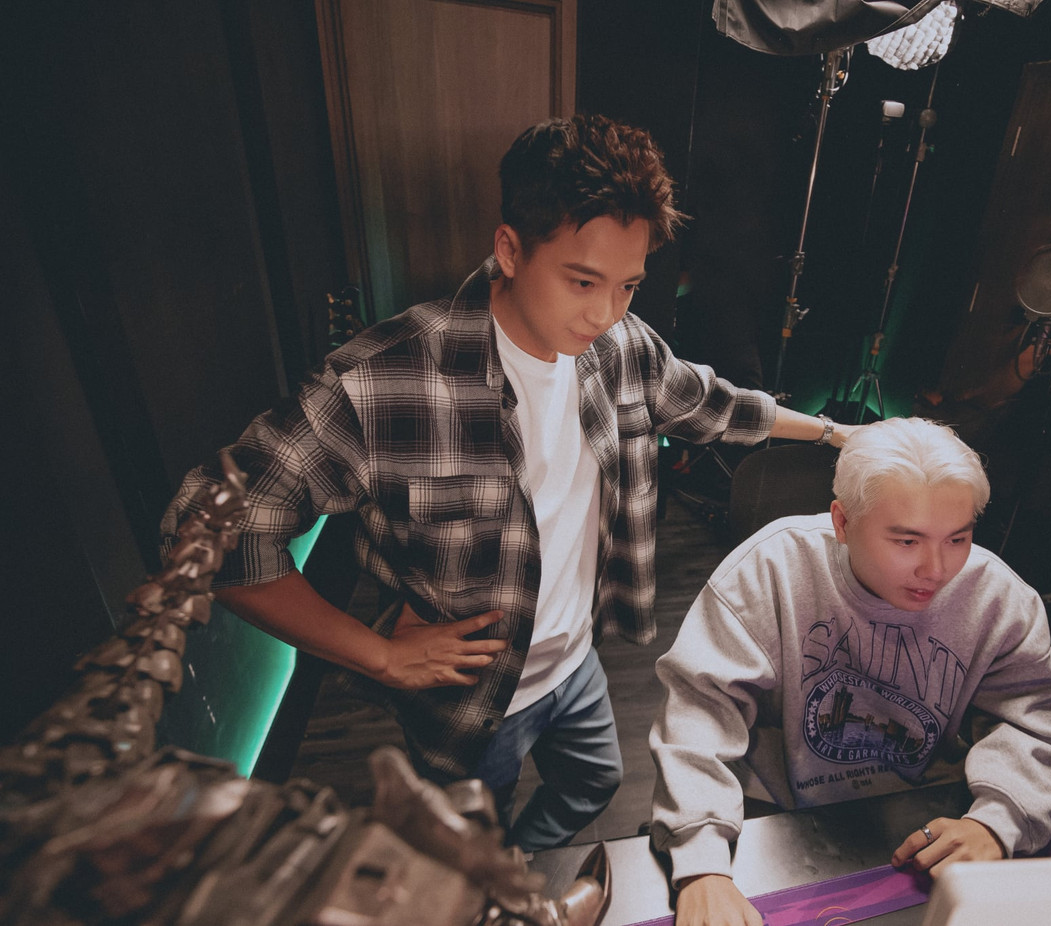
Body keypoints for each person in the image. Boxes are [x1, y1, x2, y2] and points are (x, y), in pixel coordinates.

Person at [161, 114, 856, 851]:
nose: (605, 313)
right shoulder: (386, 379)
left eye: (627, 286)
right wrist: (378, 654)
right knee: (465, 847)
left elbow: (713, 404)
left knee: (594, 783)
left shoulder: (620, 348)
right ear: (510, 250)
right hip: (467, 699)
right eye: (582, 281)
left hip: (575, 661)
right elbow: (205, 531)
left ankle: (519, 868)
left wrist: (834, 433)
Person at [648, 417, 1051, 924]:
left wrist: (996, 823)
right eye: (907, 542)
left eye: (957, 539)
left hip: (926, 816)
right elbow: (698, 718)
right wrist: (702, 864)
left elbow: (1041, 725)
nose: (936, 570)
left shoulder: (997, 597)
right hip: (774, 819)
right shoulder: (768, 570)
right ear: (842, 522)